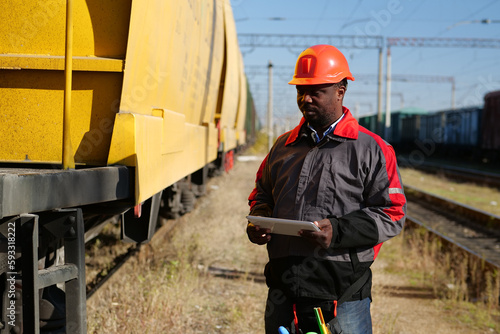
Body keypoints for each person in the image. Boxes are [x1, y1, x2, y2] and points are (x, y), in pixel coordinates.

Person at [247, 44, 407, 334]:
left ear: (340, 91)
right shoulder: (283, 146)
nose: (305, 98)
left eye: (316, 91)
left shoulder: (372, 149)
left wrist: (337, 231)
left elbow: (393, 215)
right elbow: (262, 193)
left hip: (342, 296)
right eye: (300, 91)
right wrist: (260, 217)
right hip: (284, 290)